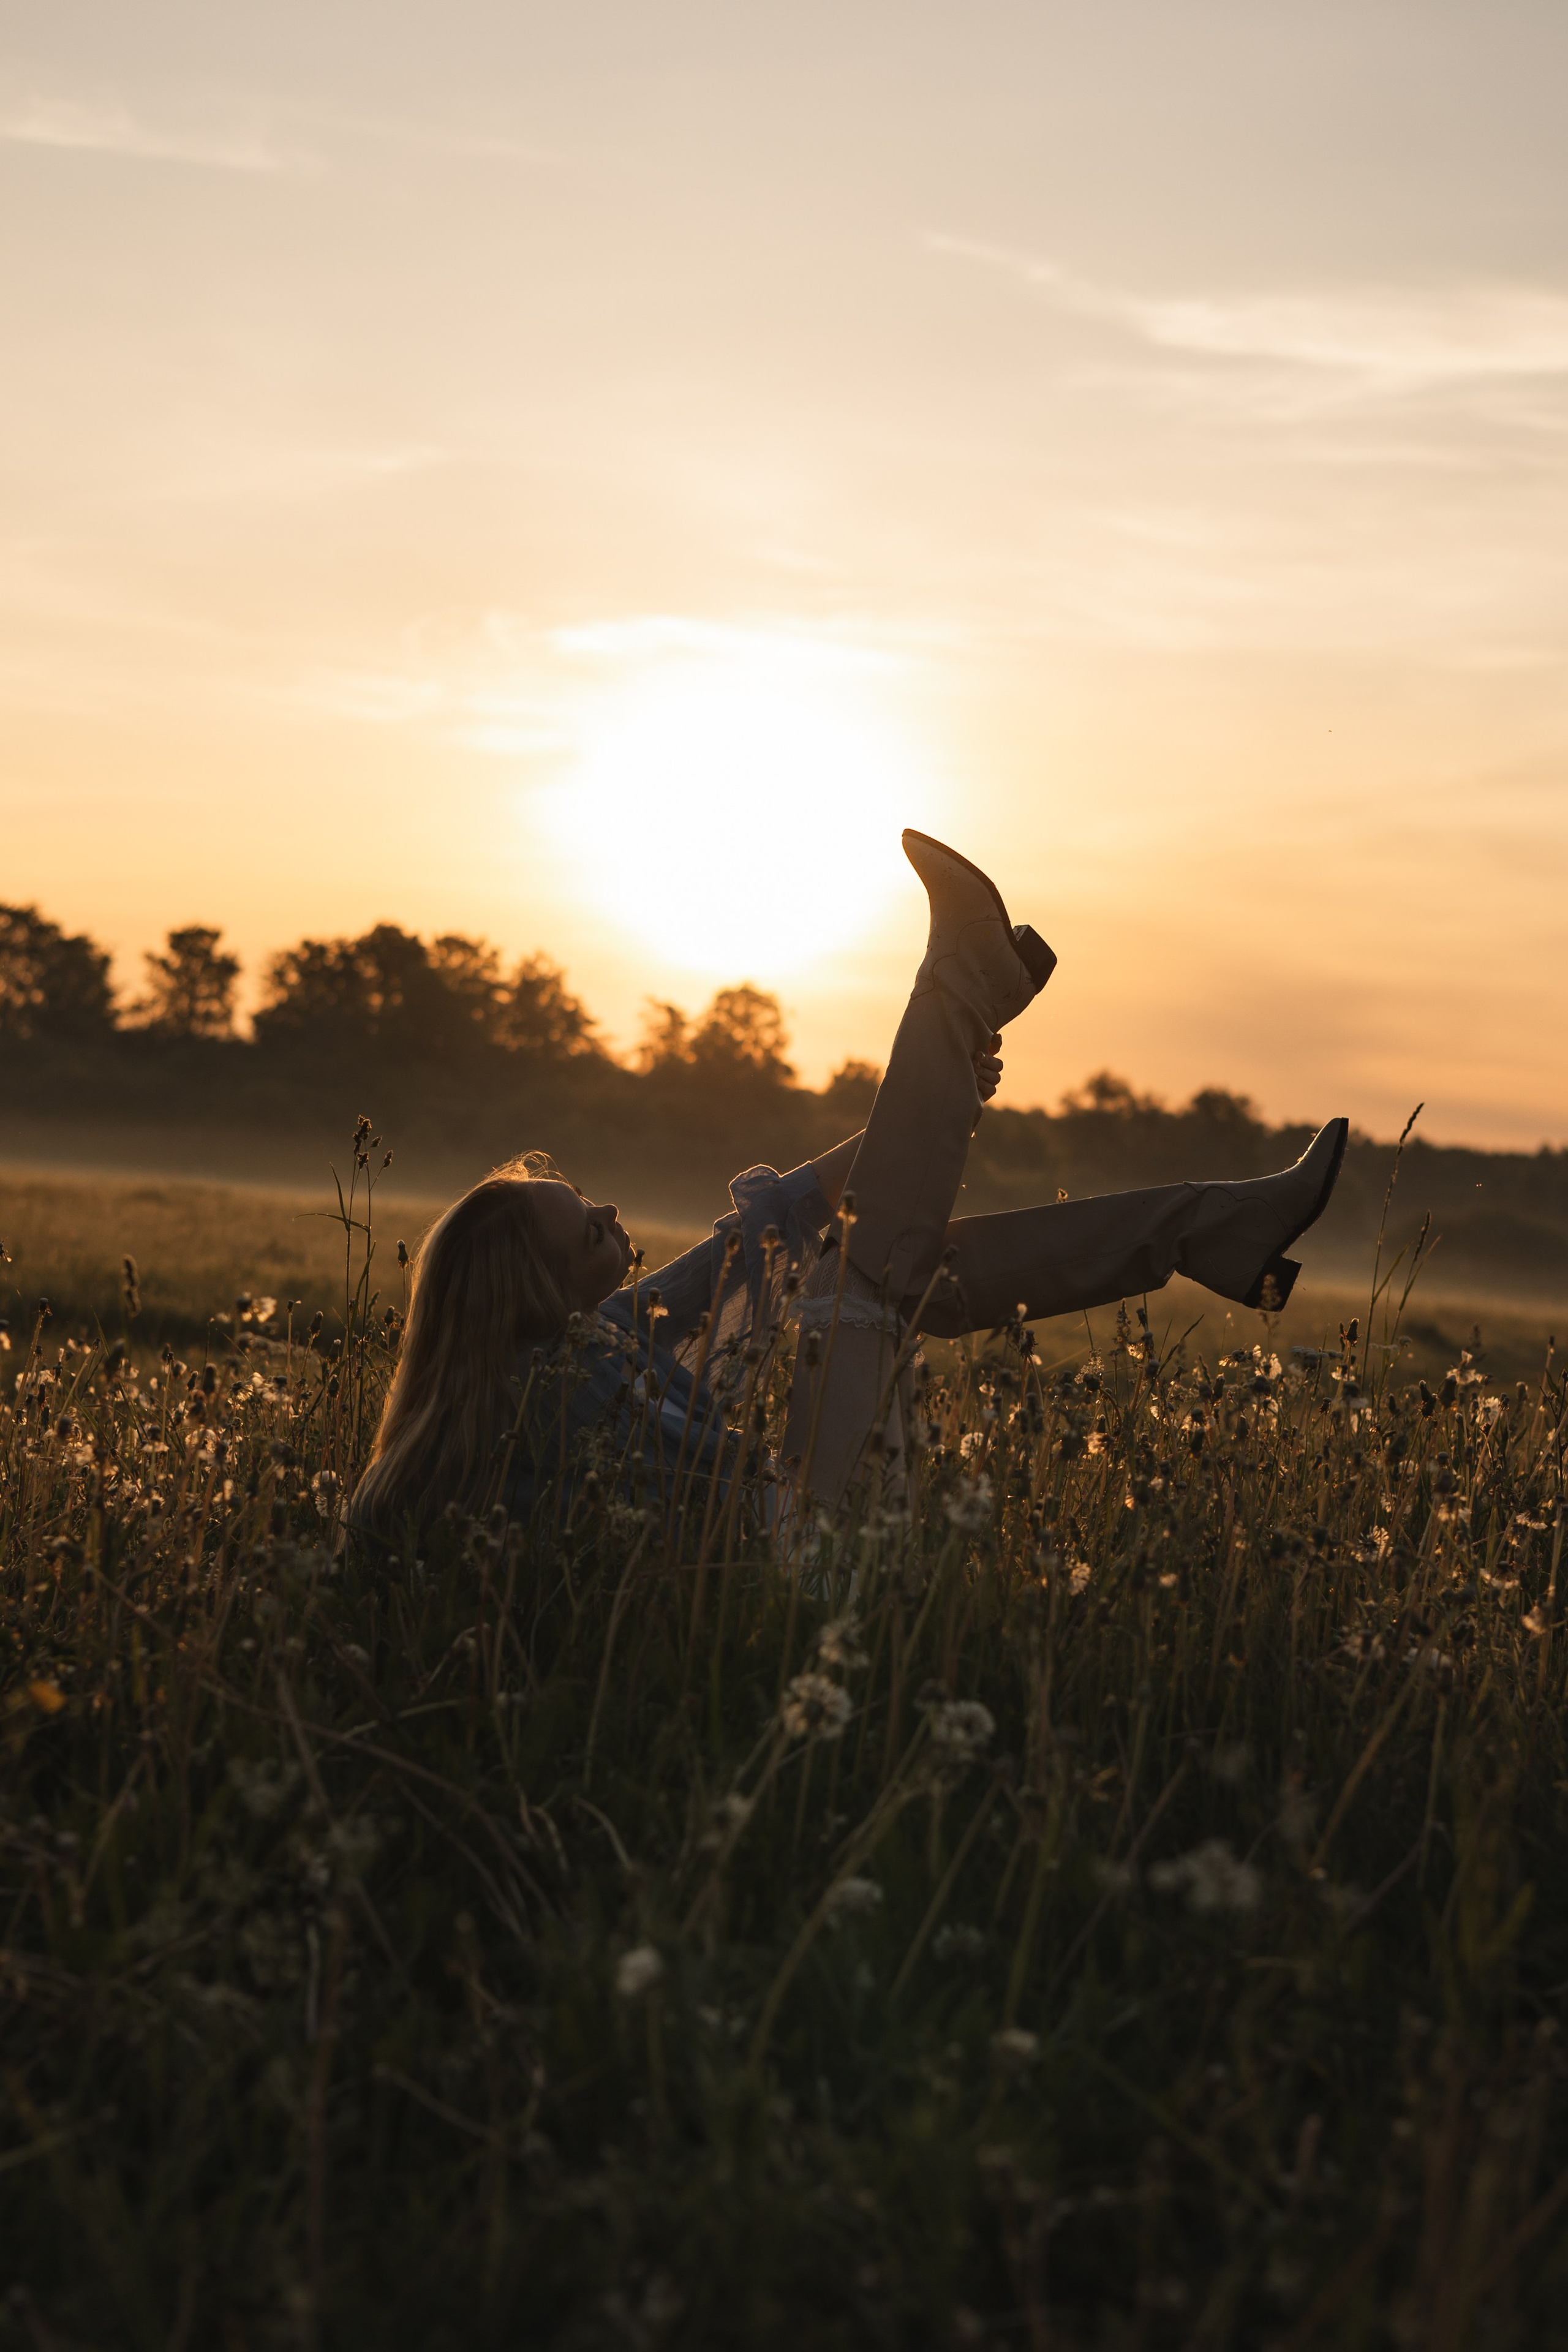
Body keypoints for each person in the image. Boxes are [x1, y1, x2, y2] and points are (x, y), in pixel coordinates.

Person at [350, 831, 1347, 1539]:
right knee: (856, 1286)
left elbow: (772, 1227)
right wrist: (934, 1090)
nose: (607, 1211)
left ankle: (1210, 1230)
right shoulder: (530, 1409)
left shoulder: (599, 1340)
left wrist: (926, 1101)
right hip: (807, 1564)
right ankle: (964, 984)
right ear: (527, 1289)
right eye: (581, 1228)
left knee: (907, 1266)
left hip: (813, 1530)